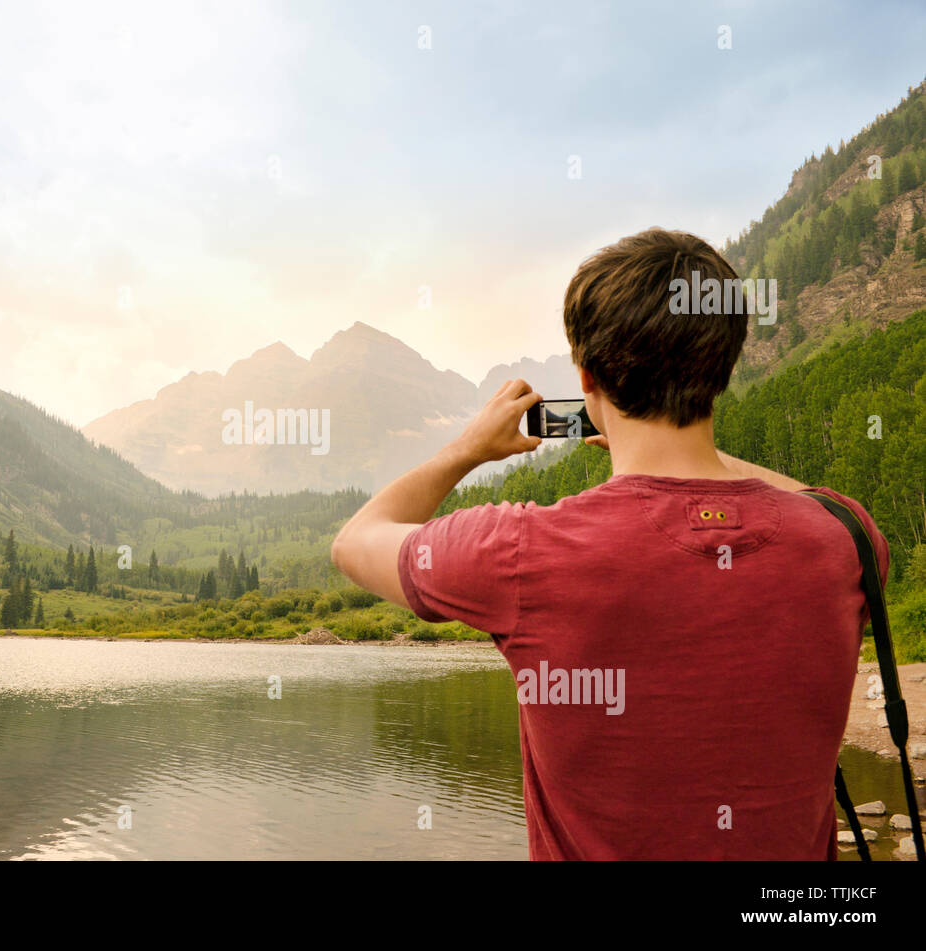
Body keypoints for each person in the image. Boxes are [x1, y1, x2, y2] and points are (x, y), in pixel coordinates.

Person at [331, 227, 886, 860]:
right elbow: (823, 506)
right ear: (724, 367)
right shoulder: (846, 541)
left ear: (588, 378)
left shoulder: (521, 550)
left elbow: (356, 540)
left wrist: (466, 451)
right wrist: (696, 456)